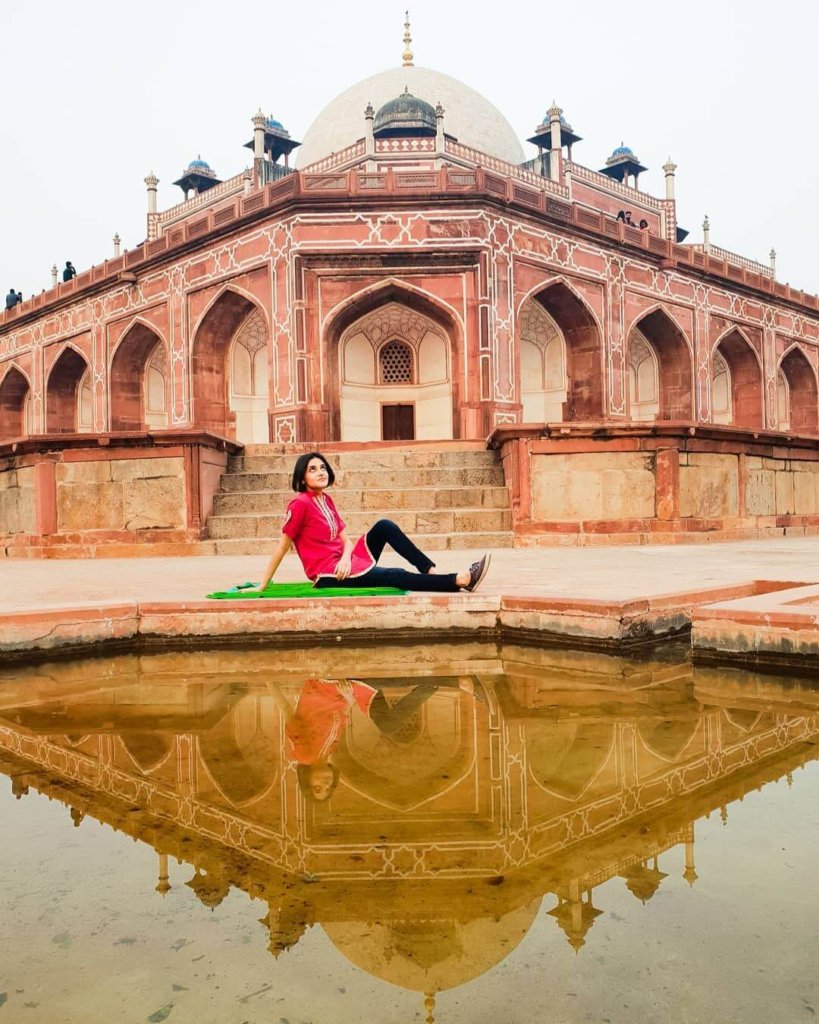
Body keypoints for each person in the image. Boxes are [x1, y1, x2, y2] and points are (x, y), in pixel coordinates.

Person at [256, 451, 491, 594]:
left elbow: (346, 541)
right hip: (329, 574)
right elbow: (282, 546)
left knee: (384, 526)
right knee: (394, 575)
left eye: (323, 467)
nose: (321, 472)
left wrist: (347, 558)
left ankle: (429, 569)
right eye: (312, 469)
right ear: (302, 477)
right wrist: (263, 585)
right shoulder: (300, 504)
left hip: (345, 563)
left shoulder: (325, 500)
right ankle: (459, 580)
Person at [268, 676, 471, 801]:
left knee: (388, 702)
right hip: (344, 692)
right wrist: (349, 696)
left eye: (318, 787)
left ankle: (449, 681)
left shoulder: (303, 755)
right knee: (389, 724)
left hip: (326, 685)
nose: (325, 782)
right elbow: (344, 712)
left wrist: (266, 679)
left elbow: (287, 710)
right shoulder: (327, 752)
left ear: (307, 780)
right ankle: (442, 682)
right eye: (328, 787)